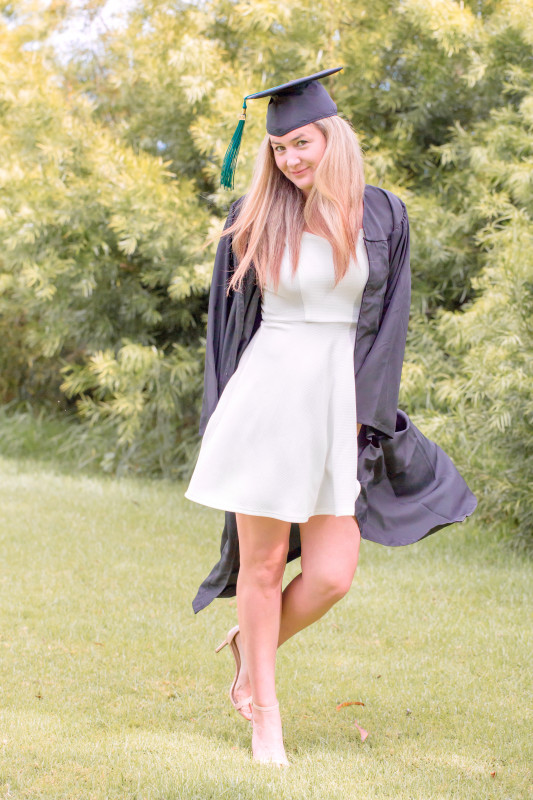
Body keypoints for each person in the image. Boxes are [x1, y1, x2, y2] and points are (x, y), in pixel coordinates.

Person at [184, 68, 477, 767]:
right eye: (279, 149)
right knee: (259, 569)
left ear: (332, 138)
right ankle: (265, 720)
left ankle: (247, 647)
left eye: (302, 143)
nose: (291, 159)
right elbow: (227, 331)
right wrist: (220, 415)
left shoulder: (382, 215)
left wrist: (364, 418)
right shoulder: (253, 216)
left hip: (337, 405)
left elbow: (389, 329)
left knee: (333, 572)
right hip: (268, 396)